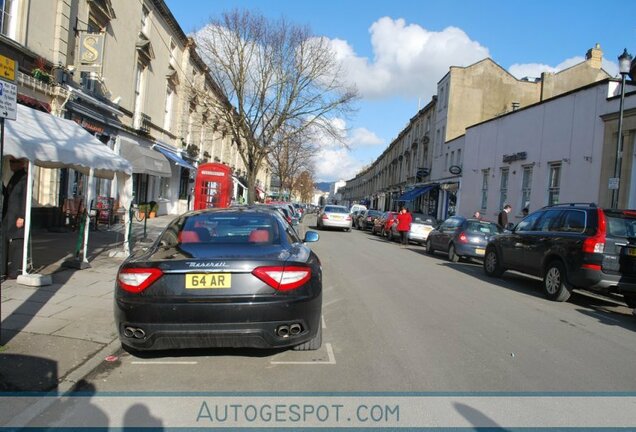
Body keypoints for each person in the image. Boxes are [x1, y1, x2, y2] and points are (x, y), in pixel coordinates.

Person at [2, 158, 28, 279]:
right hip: (8, 214)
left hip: (17, 215)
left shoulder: (25, 177)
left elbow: (25, 198)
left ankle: (15, 270)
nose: (11, 164)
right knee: (3, 239)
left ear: (21, 164)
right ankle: (2, 269)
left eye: (14, 162)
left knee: (17, 242)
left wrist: (22, 216)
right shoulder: (15, 176)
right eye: (10, 162)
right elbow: (8, 194)